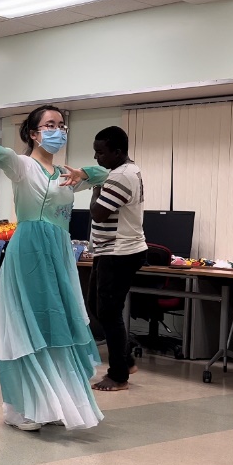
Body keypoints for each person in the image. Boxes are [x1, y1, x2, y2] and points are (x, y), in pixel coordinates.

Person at [0, 105, 107, 431]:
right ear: (34, 133)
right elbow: (1, 154)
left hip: (59, 257)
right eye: (49, 125)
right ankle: (18, 408)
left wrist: (84, 174)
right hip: (29, 255)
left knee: (55, 327)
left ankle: (52, 403)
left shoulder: (65, 175)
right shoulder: (24, 166)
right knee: (27, 327)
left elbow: (105, 174)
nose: (58, 130)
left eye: (61, 125)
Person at [88, 125, 146, 392]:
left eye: (101, 153)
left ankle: (118, 374)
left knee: (109, 313)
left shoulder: (120, 177)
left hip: (119, 252)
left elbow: (97, 214)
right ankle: (127, 360)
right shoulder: (125, 171)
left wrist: (95, 186)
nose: (97, 158)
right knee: (97, 307)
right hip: (108, 251)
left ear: (118, 152)